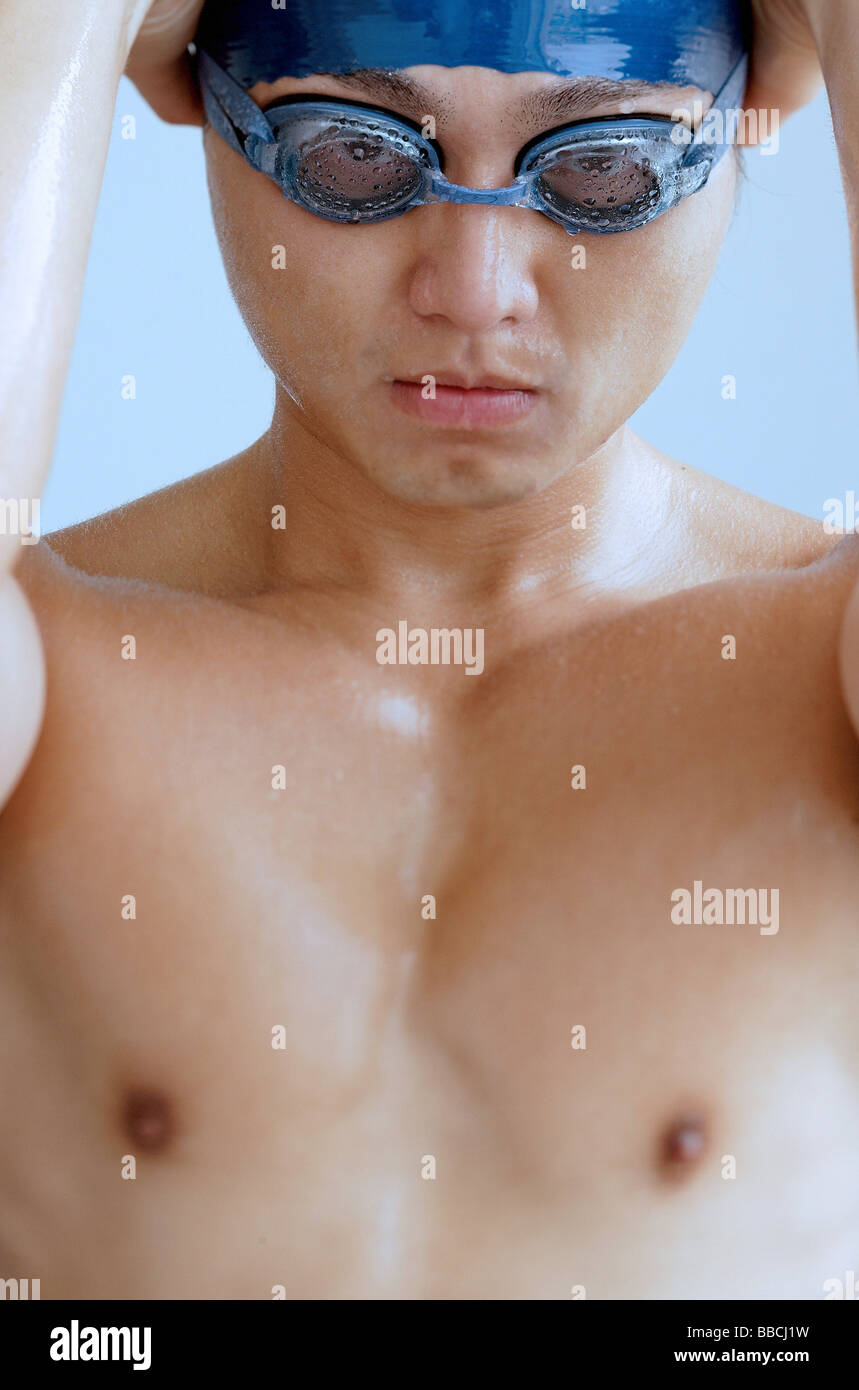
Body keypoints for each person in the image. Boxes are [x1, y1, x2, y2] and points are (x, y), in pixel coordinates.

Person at [1, 0, 857, 1300]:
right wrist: (55, 25)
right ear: (194, 99)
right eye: (353, 155)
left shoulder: (818, 679)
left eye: (605, 164)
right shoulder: (47, 679)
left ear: (747, 126)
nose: (474, 289)